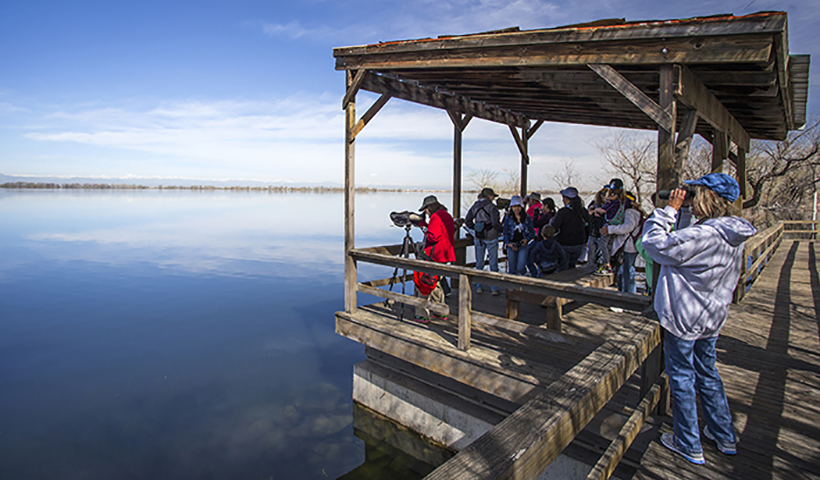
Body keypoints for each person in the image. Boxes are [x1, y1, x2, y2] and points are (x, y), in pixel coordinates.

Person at [641, 173, 756, 465]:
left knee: (682, 377)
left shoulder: (704, 235)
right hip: (711, 315)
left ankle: (688, 442)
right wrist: (683, 213)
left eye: (696, 195)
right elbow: (684, 244)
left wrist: (668, 211)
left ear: (709, 197)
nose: (690, 201)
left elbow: (654, 243)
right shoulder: (730, 231)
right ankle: (723, 434)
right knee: (708, 373)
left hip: (684, 316)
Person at [414, 195, 456, 322]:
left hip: (434, 255)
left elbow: (433, 236)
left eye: (426, 209)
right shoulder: (446, 215)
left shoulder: (436, 216)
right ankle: (440, 311)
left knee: (424, 282)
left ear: (431, 207)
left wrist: (424, 229)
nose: (426, 212)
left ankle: (421, 313)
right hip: (444, 255)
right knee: (436, 282)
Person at [600, 191, 644, 293]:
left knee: (627, 272)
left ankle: (628, 295)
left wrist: (610, 229)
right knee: (624, 272)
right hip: (628, 246)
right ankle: (624, 292)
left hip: (627, 246)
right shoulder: (633, 212)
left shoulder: (630, 212)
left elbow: (627, 227)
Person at [465, 187, 503, 295]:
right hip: (491, 237)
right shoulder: (492, 207)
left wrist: (476, 228)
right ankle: (494, 288)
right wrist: (500, 230)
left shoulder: (475, 206)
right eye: (493, 196)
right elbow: (495, 223)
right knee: (493, 263)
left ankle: (479, 286)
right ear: (489, 196)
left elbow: (468, 221)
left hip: (479, 237)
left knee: (479, 263)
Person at [550, 187, 589, 268]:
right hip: (579, 244)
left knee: (562, 267)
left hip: (564, 244)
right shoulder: (582, 211)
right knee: (572, 266)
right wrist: (586, 240)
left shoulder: (563, 212)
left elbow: (554, 227)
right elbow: (588, 226)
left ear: (567, 199)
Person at [502, 195, 535, 276]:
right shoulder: (508, 218)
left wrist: (527, 239)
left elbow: (532, 232)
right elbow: (505, 232)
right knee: (512, 269)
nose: (516, 209)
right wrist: (508, 243)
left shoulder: (526, 217)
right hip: (512, 244)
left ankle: (524, 278)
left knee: (521, 266)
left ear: (521, 207)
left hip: (522, 245)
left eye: (518, 206)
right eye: (514, 207)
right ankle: (513, 284)